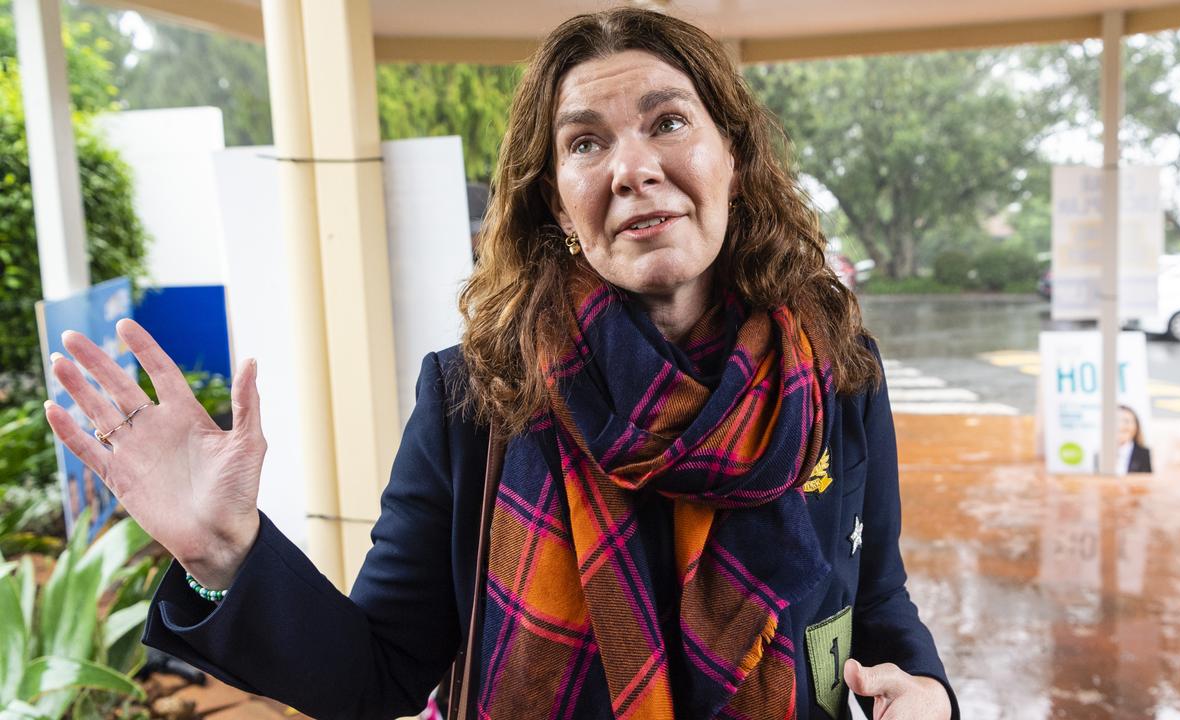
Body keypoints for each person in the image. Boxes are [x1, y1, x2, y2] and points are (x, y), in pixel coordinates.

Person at [44, 8, 956, 720]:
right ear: (557, 202)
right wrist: (223, 550)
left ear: (734, 158)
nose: (632, 168)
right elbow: (379, 676)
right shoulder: (476, 399)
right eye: (586, 142)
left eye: (668, 122)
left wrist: (932, 691)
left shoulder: (835, 369)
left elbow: (876, 599)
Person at [1116, 405, 1152, 474]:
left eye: (1126, 421)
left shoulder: (1145, 455)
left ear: (1136, 427)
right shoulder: (1100, 455)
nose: (1121, 426)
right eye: (1117, 421)